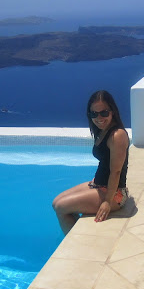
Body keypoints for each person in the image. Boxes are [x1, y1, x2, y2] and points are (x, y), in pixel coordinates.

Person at [53, 90, 129, 234]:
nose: (99, 118)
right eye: (94, 114)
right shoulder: (102, 131)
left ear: (112, 111)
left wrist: (107, 202)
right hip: (99, 184)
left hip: (115, 194)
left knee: (61, 207)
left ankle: (74, 245)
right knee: (56, 202)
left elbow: (116, 171)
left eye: (104, 113)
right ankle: (74, 235)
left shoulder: (117, 135)